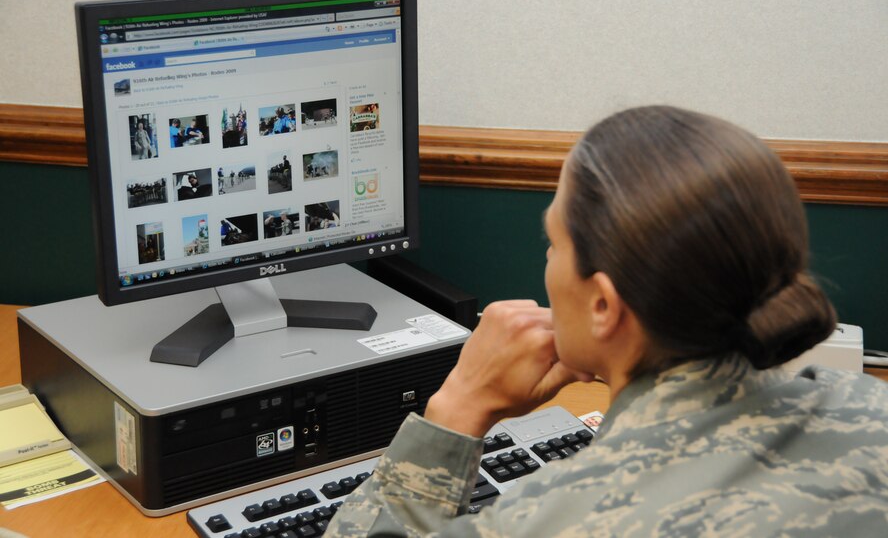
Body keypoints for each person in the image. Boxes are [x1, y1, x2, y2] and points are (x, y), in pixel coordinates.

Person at [327, 106, 888, 537]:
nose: (549, 258)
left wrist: (459, 407)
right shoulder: (868, 406)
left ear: (603, 306)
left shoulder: (557, 521)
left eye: (553, 241)